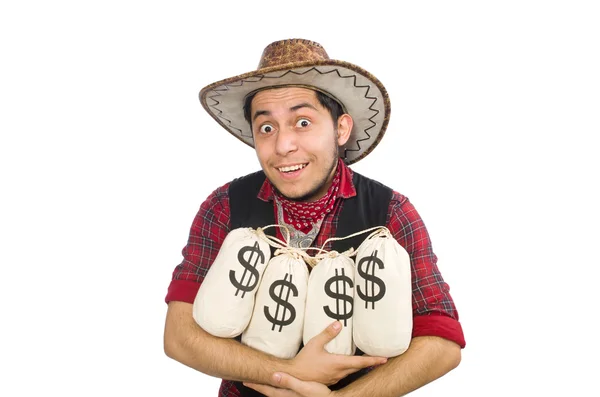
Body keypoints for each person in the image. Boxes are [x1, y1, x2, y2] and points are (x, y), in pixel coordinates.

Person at [163, 38, 465, 397]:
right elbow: (179, 336)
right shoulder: (225, 206)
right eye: (267, 127)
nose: (283, 146)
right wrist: (286, 372)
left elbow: (443, 342)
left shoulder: (390, 213)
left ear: (341, 129)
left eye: (302, 122)